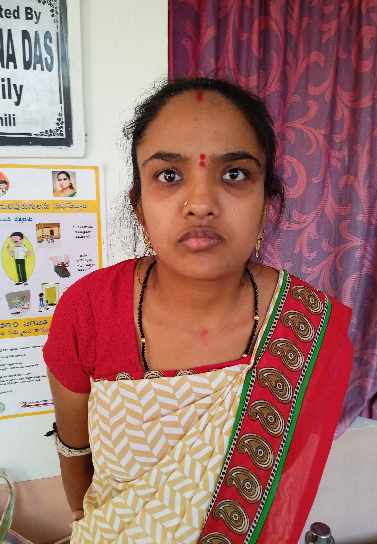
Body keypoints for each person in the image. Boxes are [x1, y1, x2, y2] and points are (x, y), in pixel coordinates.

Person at [44, 78, 352, 544]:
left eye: (235, 174)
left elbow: (280, 498)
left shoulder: (306, 325)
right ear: (139, 205)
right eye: (169, 175)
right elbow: (74, 448)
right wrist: (86, 521)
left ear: (267, 204)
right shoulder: (87, 310)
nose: (202, 204)